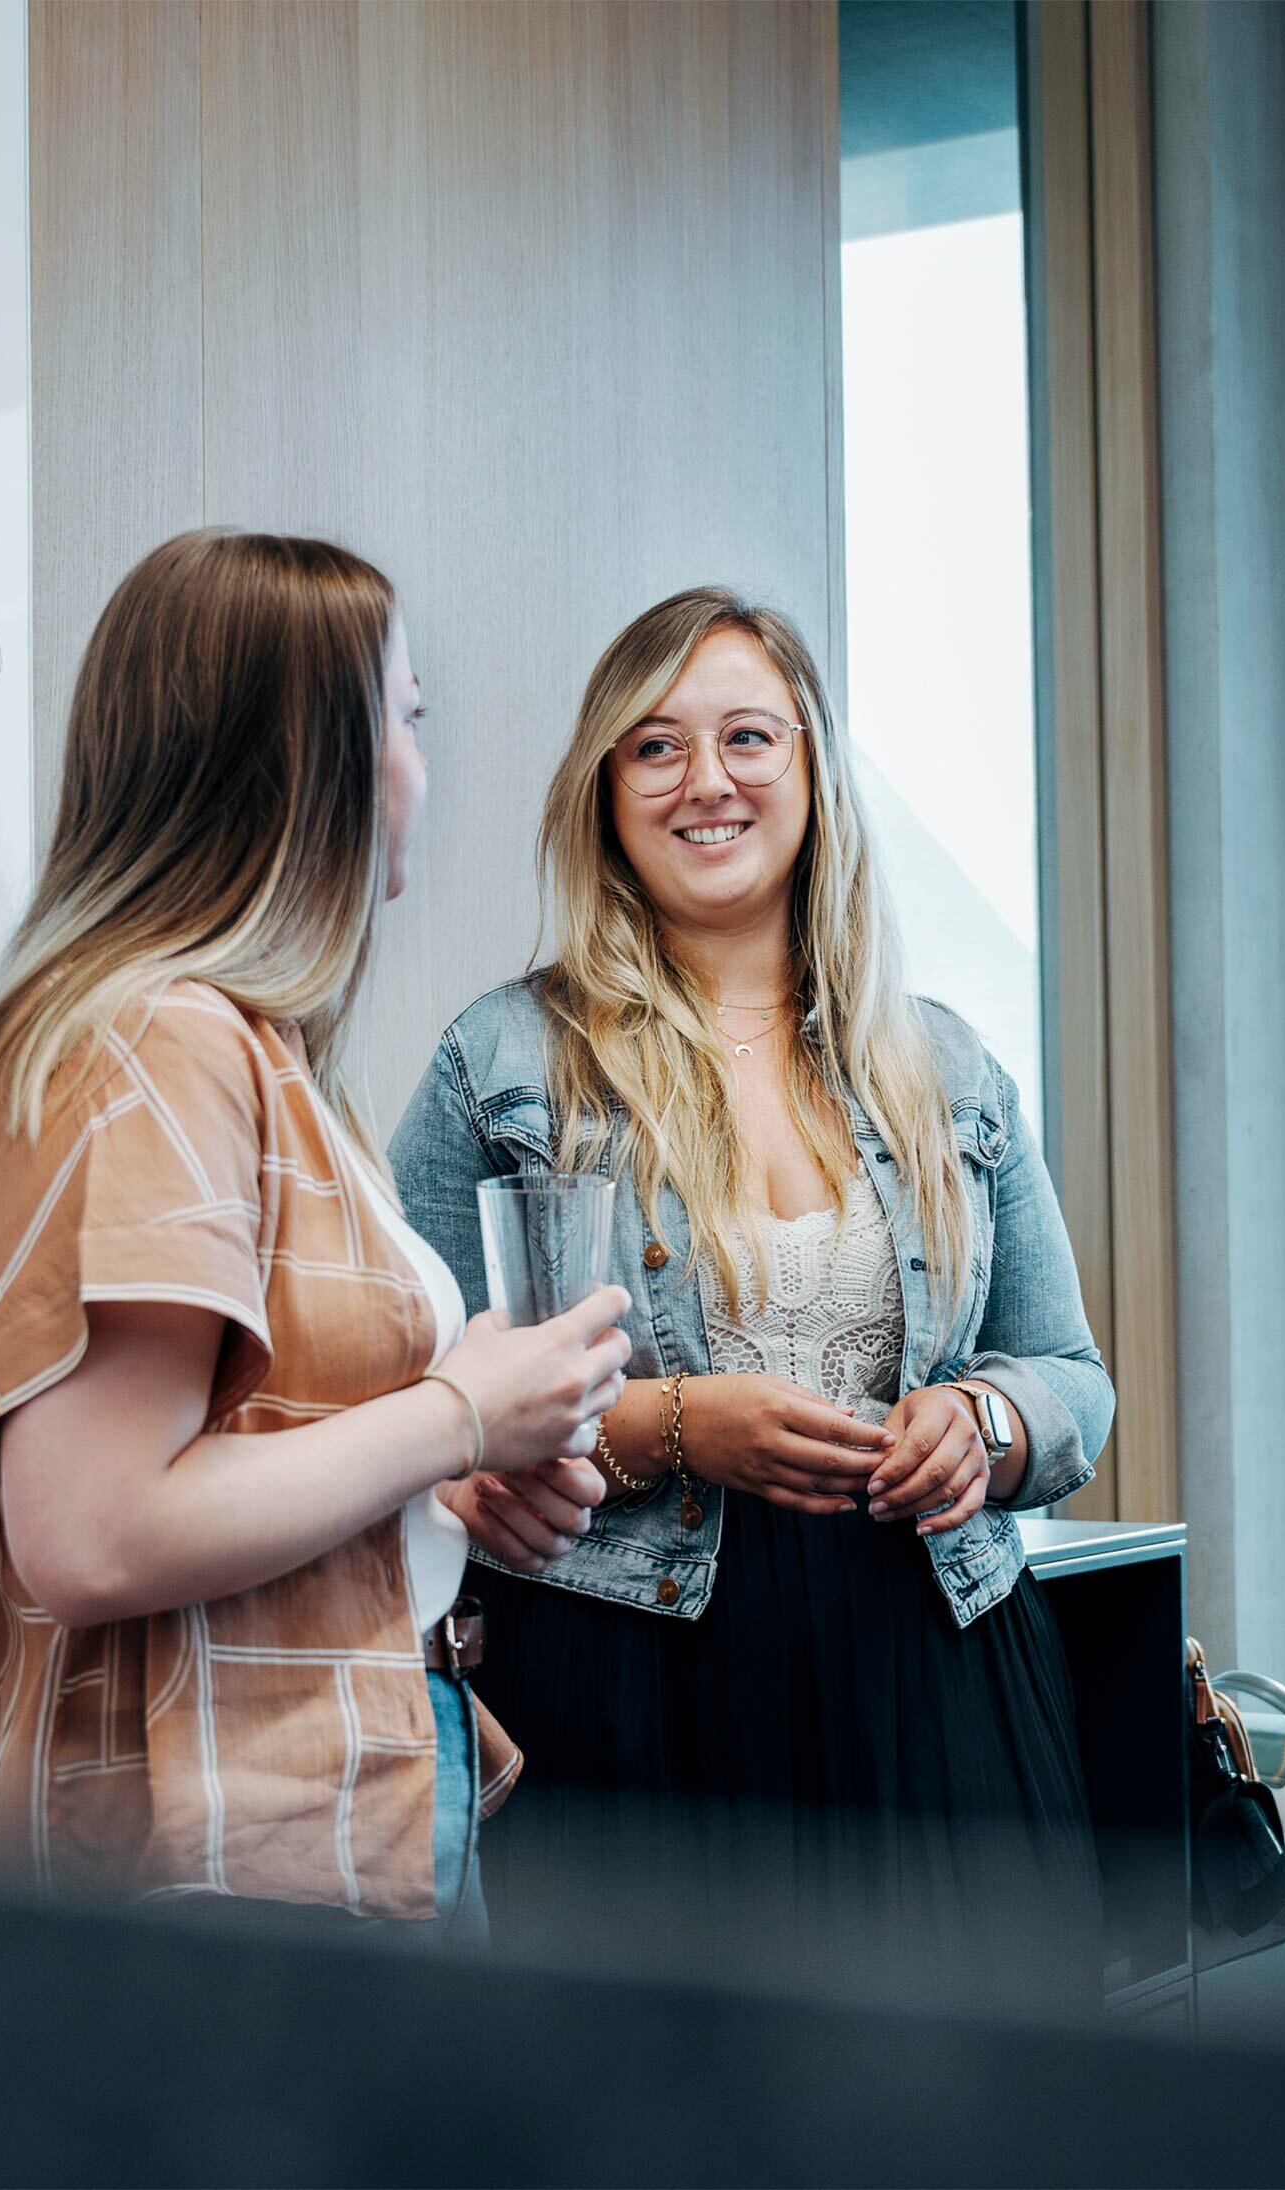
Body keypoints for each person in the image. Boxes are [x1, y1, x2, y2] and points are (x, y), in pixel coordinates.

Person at [0, 529, 629, 1932]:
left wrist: (444, 1487)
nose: (426, 768)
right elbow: (97, 1532)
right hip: (230, 1849)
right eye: (408, 719)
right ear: (316, 764)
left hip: (333, 1789)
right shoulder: (158, 1041)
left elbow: (239, 1456)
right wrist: (452, 1417)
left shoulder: (240, 1046)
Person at [388, 587, 1110, 1971]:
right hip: (622, 1679)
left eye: (746, 738)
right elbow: (394, 1401)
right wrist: (673, 1426)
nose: (704, 780)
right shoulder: (503, 1063)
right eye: (654, 747)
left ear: (813, 769)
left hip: (939, 1667)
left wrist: (986, 1425)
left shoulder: (947, 1067)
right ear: (604, 791)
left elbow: (1071, 1378)